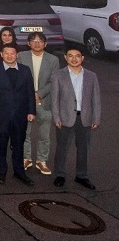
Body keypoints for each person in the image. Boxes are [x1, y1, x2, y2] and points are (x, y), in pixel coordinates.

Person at [51, 47, 101, 190]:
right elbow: (55, 99)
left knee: (84, 149)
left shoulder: (91, 76)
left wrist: (96, 118)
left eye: (77, 56)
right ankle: (60, 175)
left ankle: (82, 176)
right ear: (65, 58)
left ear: (82, 58)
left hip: (85, 118)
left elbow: (96, 98)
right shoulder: (58, 75)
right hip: (65, 118)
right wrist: (56, 117)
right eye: (70, 56)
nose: (74, 59)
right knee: (62, 148)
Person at [0, 43, 36, 186]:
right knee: (1, 144)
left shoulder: (25, 70)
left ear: (17, 55)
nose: (9, 56)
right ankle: (1, 172)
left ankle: (19, 172)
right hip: (2, 114)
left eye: (12, 53)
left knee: (18, 145)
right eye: (6, 53)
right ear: (1, 54)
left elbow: (30, 92)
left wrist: (31, 111)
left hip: (20, 115)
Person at [18, 32, 58, 176]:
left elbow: (54, 81)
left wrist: (39, 94)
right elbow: (17, 77)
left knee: (44, 135)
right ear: (28, 43)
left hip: (44, 101)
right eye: (33, 40)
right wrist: (29, 95)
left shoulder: (53, 60)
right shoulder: (21, 56)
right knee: (25, 132)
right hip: (25, 101)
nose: (37, 43)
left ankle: (42, 160)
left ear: (45, 44)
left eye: (40, 41)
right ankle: (26, 158)